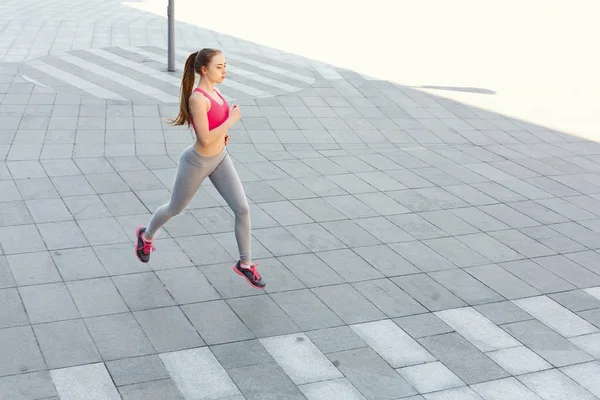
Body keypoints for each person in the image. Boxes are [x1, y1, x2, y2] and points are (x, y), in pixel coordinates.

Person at [135, 48, 265, 289]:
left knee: (242, 208)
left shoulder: (217, 91)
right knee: (175, 208)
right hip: (196, 163)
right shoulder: (198, 98)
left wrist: (224, 136)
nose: (224, 70)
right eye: (219, 66)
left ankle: (245, 264)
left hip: (220, 159)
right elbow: (204, 139)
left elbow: (216, 131)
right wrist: (231, 121)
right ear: (204, 70)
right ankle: (146, 234)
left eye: (225, 65)